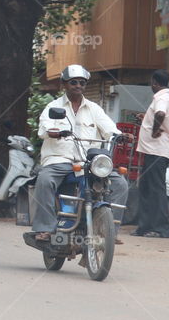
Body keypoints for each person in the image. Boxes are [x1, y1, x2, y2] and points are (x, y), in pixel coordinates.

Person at [33, 65, 130, 245]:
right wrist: (55, 132)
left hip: (89, 162)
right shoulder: (53, 107)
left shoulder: (94, 109)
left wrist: (119, 135)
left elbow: (109, 128)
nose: (78, 86)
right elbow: (45, 129)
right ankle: (44, 228)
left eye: (82, 83)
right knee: (45, 180)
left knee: (121, 184)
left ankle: (111, 230)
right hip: (60, 160)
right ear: (64, 84)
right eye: (74, 82)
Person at [133, 70, 169, 238]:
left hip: (158, 150)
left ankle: (161, 228)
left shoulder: (161, 98)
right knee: (147, 188)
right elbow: (159, 116)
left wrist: (153, 131)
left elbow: (160, 114)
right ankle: (144, 227)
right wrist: (146, 119)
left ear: (155, 83)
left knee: (155, 189)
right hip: (154, 151)